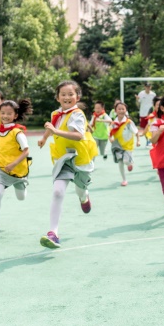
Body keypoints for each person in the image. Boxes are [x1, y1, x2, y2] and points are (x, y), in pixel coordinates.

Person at [38, 80, 98, 249]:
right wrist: (44, 137)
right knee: (57, 191)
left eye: (70, 94)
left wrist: (55, 131)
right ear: (57, 97)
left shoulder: (77, 114)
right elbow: (52, 126)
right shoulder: (55, 113)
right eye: (63, 94)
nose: (67, 97)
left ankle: (84, 196)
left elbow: (78, 135)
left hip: (80, 158)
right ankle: (53, 233)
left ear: (77, 97)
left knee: (80, 189)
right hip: (63, 158)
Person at [0, 99, 33, 234]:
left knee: (21, 197)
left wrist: (14, 164)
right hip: (1, 168)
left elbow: (26, 151)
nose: (5, 116)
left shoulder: (17, 132)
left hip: (18, 171)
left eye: (9, 113)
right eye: (2, 113)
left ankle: (22, 184)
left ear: (15, 115)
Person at [109, 102, 138, 186]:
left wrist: (138, 141)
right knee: (120, 162)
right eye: (119, 109)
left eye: (123, 109)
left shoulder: (128, 122)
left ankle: (130, 163)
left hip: (128, 145)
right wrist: (110, 139)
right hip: (118, 146)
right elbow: (110, 133)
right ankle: (124, 179)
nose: (121, 111)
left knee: (125, 161)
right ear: (115, 111)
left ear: (126, 110)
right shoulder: (114, 123)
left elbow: (136, 132)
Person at [136, 82, 156, 146]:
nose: (148, 88)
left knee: (152, 126)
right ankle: (147, 140)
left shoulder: (153, 94)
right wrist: (137, 100)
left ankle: (151, 140)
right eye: (147, 86)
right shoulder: (141, 94)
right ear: (144, 87)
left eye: (149, 86)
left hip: (151, 113)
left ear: (151, 87)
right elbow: (138, 104)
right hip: (143, 113)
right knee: (145, 128)